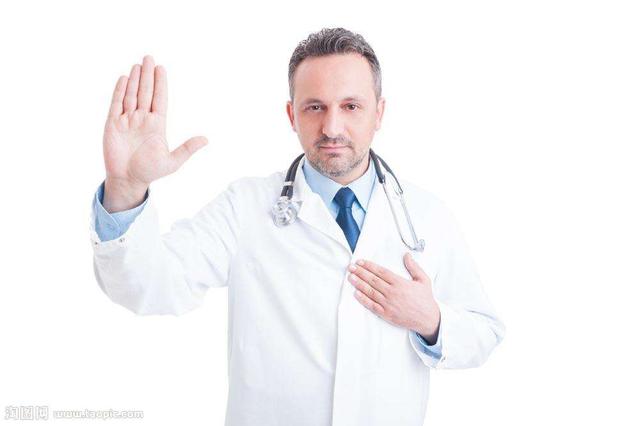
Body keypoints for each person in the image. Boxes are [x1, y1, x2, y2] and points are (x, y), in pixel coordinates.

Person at [89, 27, 505, 426]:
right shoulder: (245, 207)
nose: (332, 128)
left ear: (379, 113)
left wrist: (431, 320)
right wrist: (126, 189)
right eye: (315, 107)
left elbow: (484, 332)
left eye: (351, 106)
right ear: (292, 114)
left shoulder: (426, 215)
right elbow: (149, 284)